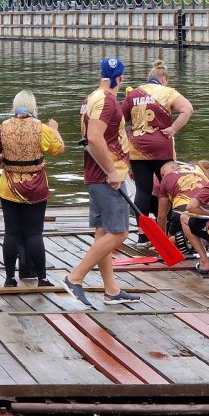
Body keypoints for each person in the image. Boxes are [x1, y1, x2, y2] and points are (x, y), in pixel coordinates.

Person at [61, 57, 141, 309]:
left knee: (104, 232)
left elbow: (90, 137)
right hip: (109, 174)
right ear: (120, 79)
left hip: (94, 172)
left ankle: (111, 290)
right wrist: (112, 171)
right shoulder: (107, 100)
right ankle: (74, 278)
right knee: (119, 232)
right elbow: (95, 137)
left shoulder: (91, 98)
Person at [0, 90, 64, 287]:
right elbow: (59, 149)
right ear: (33, 107)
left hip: (9, 186)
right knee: (34, 233)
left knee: (11, 232)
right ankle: (42, 278)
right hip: (36, 185)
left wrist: (8, 157)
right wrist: (54, 129)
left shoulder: (1, 128)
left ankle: (10, 278)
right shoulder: (42, 129)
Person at [121, 60, 194, 242]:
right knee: (169, 189)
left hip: (138, 149)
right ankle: (171, 228)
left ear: (149, 78)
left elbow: (120, 120)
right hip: (163, 147)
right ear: (163, 79)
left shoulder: (134, 93)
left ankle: (142, 233)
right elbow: (187, 110)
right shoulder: (168, 92)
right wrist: (173, 128)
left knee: (142, 191)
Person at [154, 158, 209, 238]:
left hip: (183, 211)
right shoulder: (199, 171)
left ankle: (177, 240)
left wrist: (161, 239)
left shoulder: (166, 178)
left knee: (171, 240)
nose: (163, 177)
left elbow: (161, 216)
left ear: (173, 167)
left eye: (163, 174)